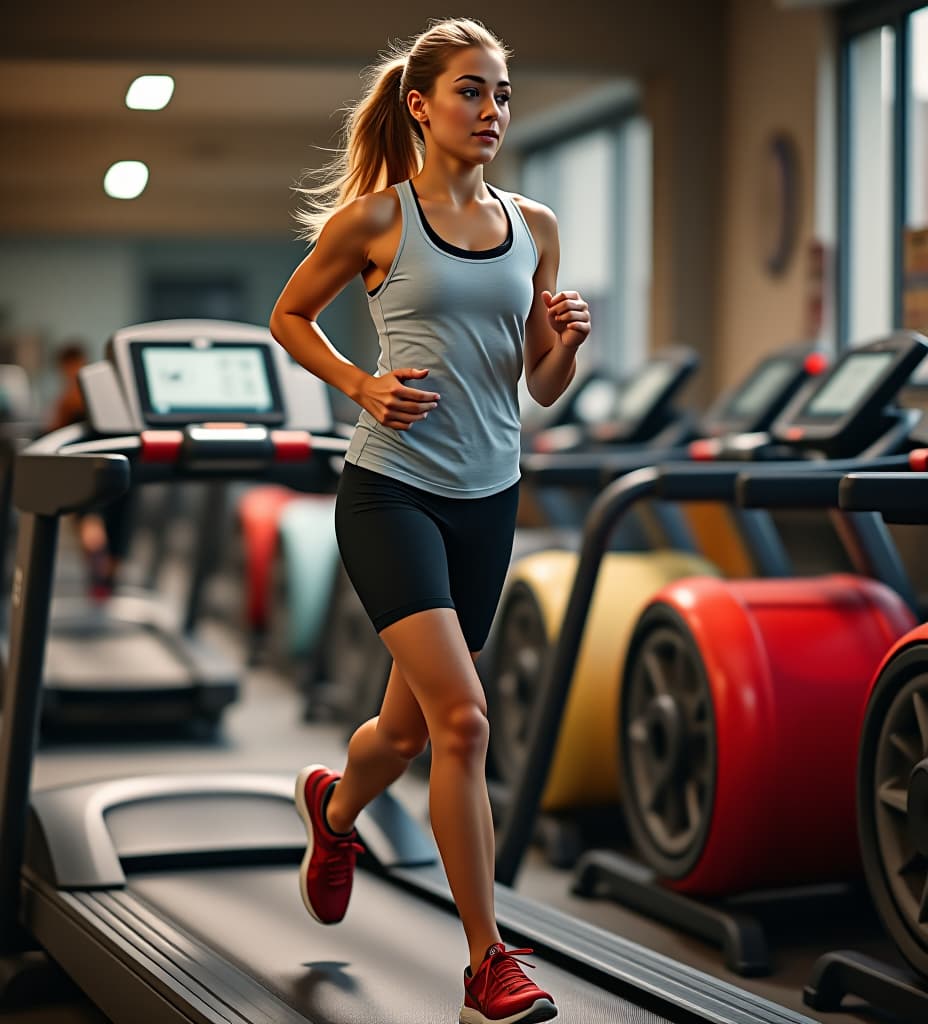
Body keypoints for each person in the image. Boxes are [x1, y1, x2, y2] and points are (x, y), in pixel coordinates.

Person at [270, 18, 590, 1024]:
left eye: (501, 95)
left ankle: (332, 808)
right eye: (470, 92)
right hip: (392, 493)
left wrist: (568, 344)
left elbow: (537, 386)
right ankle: (485, 963)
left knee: (404, 734)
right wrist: (360, 384)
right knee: (464, 719)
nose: (491, 111)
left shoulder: (533, 226)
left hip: (487, 502)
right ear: (419, 104)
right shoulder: (376, 221)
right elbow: (288, 316)